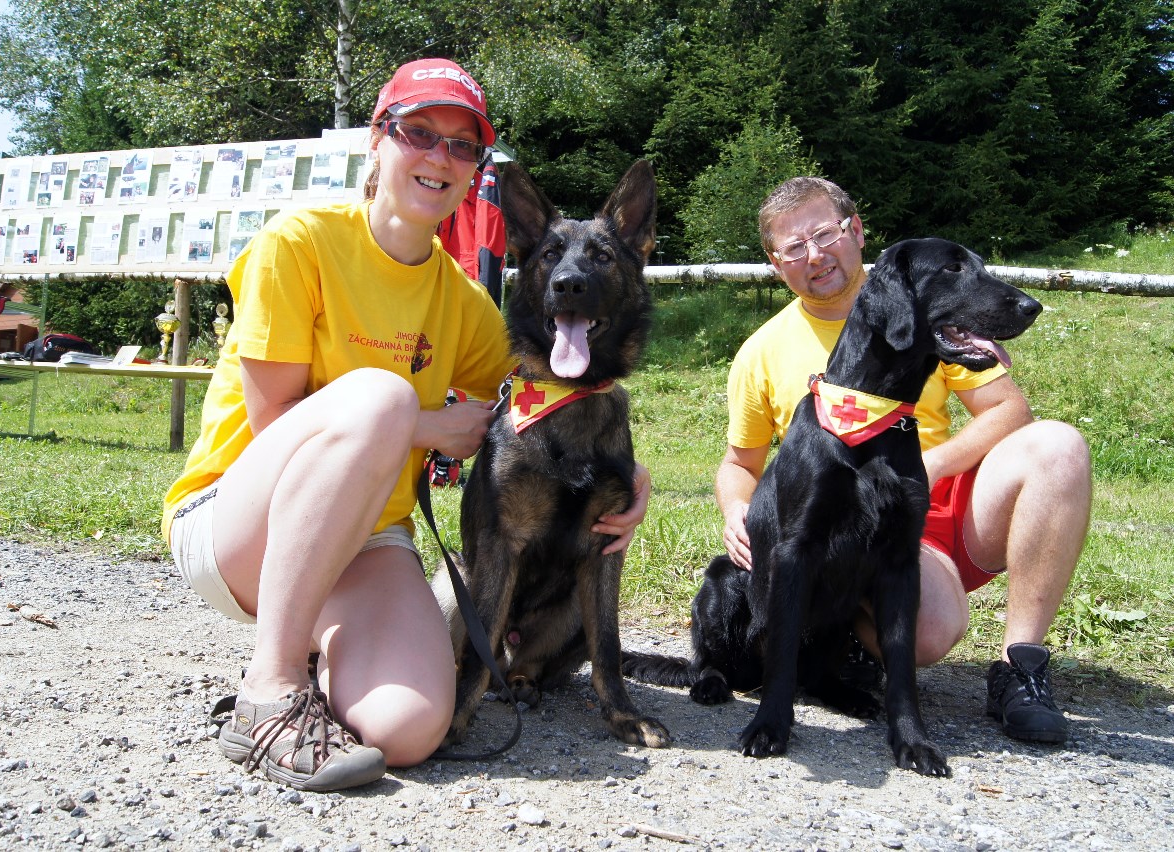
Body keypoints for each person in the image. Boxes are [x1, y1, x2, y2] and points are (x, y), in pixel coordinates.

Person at [162, 58, 650, 792]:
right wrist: (422, 427)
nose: (439, 157)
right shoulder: (300, 242)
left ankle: (329, 651)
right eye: (418, 132)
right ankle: (269, 688)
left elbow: (555, 388)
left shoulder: (464, 303)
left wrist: (630, 479)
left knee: (410, 728)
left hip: (368, 542)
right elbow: (270, 422)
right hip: (238, 522)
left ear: (475, 170)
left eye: (462, 145)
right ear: (377, 140)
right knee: (383, 399)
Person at [717, 176, 1091, 744]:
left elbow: (1009, 410)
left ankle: (1021, 667)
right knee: (928, 633)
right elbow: (739, 463)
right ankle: (845, 643)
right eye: (794, 247)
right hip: (834, 527)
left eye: (825, 234)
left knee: (1059, 446)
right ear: (776, 263)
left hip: (927, 503)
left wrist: (930, 467)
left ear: (856, 231)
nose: (814, 256)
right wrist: (736, 511)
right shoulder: (760, 352)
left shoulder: (926, 301)